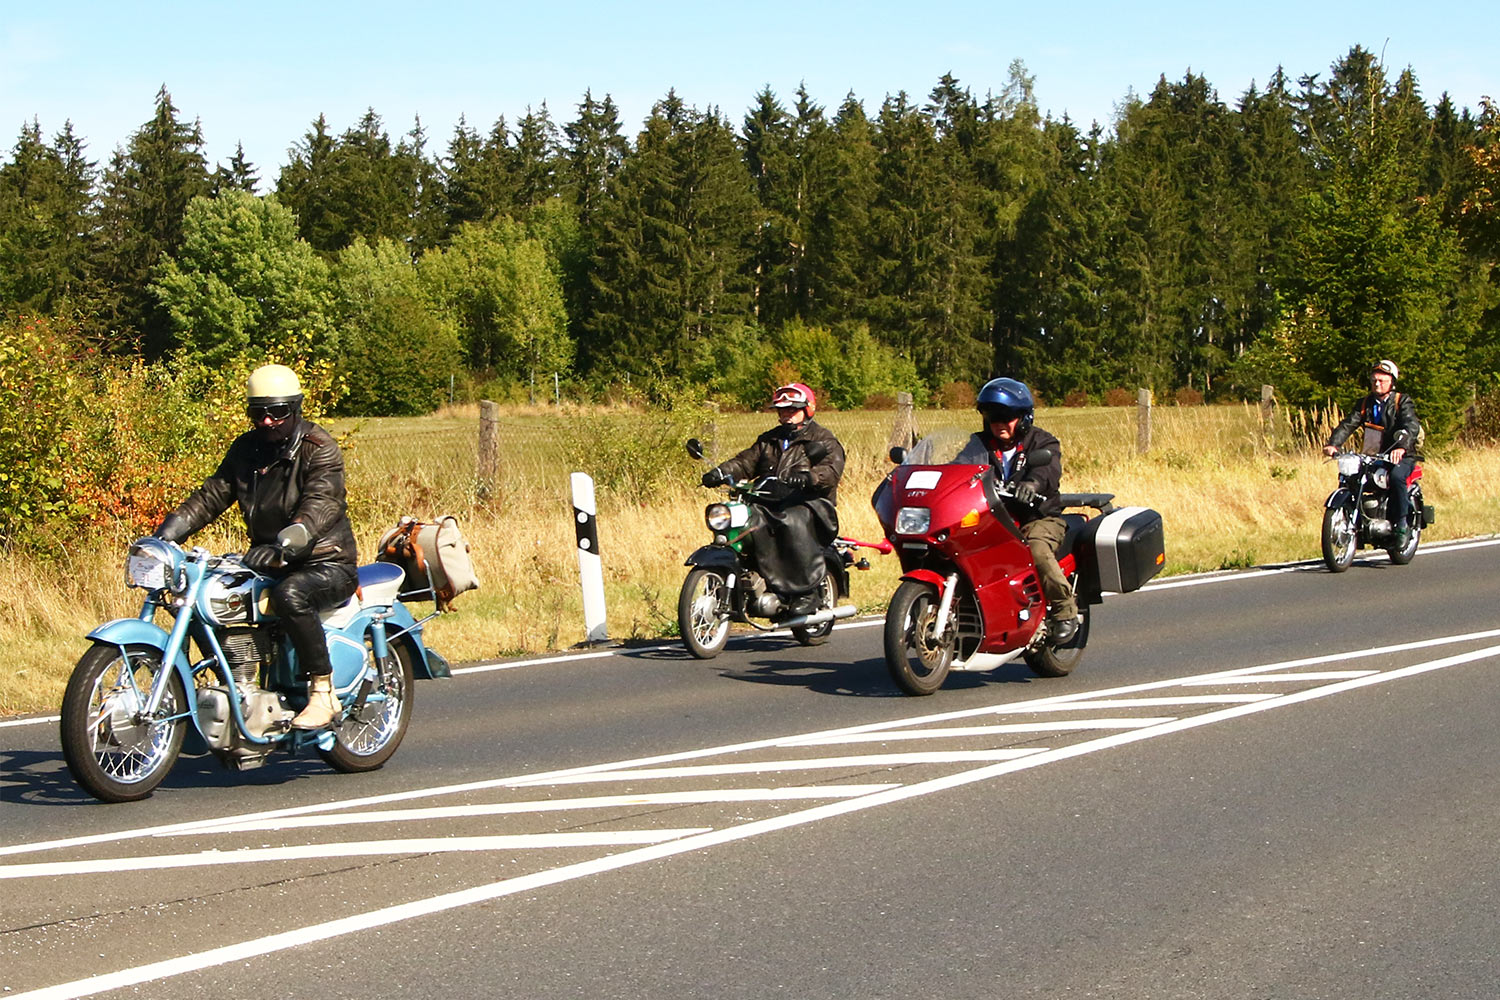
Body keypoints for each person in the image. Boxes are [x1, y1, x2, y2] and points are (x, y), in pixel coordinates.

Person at [152, 364, 359, 730]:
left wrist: (286, 546)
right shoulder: (246, 450)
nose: (267, 421)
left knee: (291, 596)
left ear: (295, 408)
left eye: (277, 412)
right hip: (269, 559)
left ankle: (322, 691)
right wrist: (165, 534)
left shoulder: (318, 449)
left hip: (324, 562)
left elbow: (320, 504)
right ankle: (233, 688)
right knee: (204, 595)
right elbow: (212, 495)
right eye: (258, 412)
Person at [700, 383, 846, 617]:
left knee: (791, 520)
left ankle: (807, 592)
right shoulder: (769, 440)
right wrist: (719, 472)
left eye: (792, 410)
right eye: (782, 411)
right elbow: (745, 462)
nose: (785, 415)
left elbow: (831, 470)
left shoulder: (823, 439)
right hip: (769, 500)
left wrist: (810, 477)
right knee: (745, 520)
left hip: (810, 504)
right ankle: (749, 578)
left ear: (808, 409)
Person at [973, 377, 1080, 643]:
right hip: (995, 519)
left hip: (1039, 517)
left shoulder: (1043, 442)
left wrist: (1031, 484)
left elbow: (1048, 471)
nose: (998, 422)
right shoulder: (978, 444)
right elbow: (958, 467)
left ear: (1023, 417)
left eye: (1005, 415)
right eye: (991, 415)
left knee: (1035, 549)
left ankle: (1065, 611)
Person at [1322, 359, 1422, 547]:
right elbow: (1348, 424)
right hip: (1373, 454)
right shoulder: (1365, 403)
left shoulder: (1402, 401)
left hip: (1401, 454)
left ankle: (1401, 524)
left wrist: (1402, 447)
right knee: (1352, 477)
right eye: (1374, 380)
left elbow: (1411, 425)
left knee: (1396, 477)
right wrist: (1333, 444)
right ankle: (1357, 521)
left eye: (1381, 380)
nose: (1377, 384)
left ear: (1391, 382)